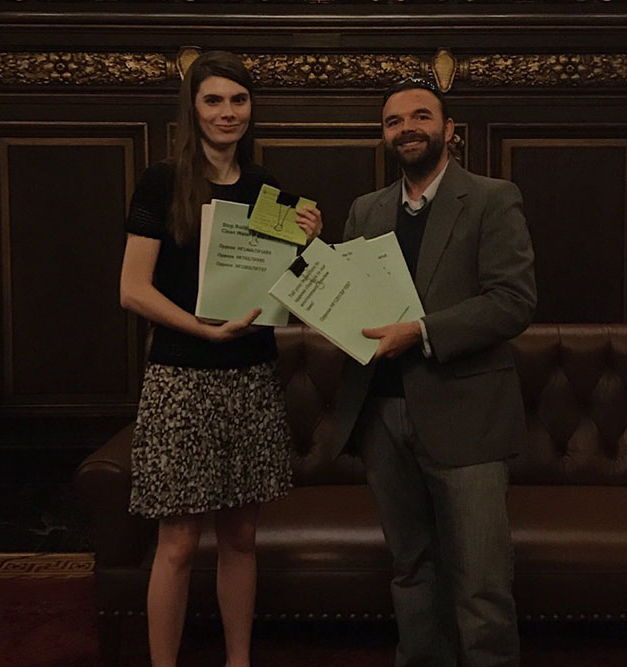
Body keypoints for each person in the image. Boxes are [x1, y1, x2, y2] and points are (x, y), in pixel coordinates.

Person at [118, 50, 322, 667]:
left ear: (250, 108)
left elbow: (281, 293)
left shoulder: (267, 190)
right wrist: (203, 331)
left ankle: (239, 661)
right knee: (177, 543)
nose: (227, 112)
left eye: (238, 100)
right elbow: (132, 289)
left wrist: (305, 246)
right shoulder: (161, 181)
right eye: (214, 100)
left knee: (241, 536)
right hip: (181, 380)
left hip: (252, 378)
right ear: (193, 108)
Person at [330, 77, 536, 667]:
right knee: (411, 571)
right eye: (394, 121)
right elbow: (347, 303)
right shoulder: (365, 210)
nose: (407, 128)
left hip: (466, 416)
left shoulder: (493, 198)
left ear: (450, 130)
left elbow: (513, 301)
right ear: (385, 135)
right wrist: (310, 258)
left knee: (481, 582)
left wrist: (420, 332)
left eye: (421, 116)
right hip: (381, 417)